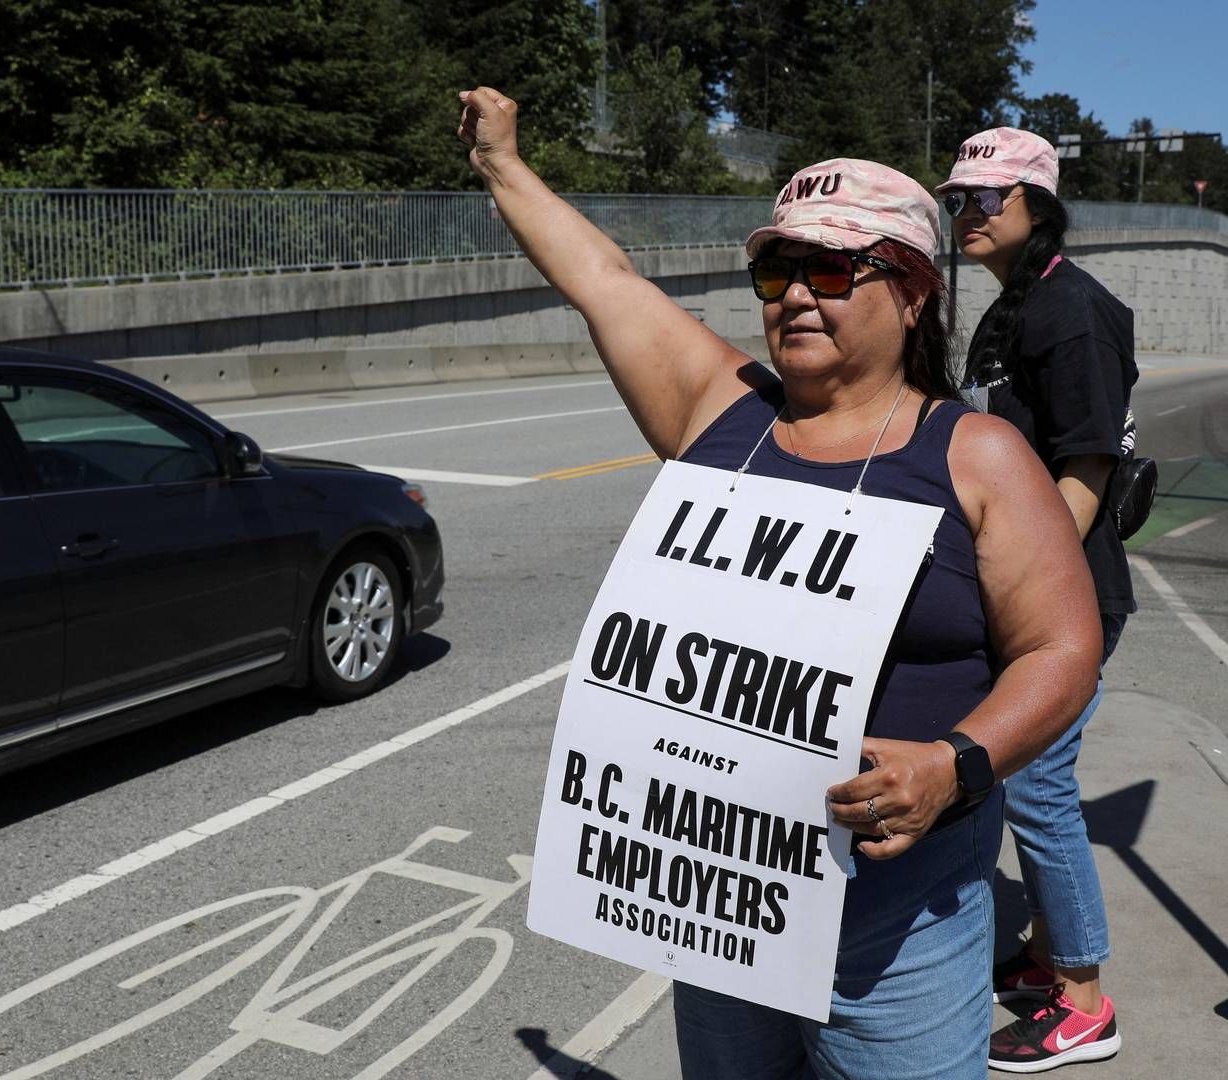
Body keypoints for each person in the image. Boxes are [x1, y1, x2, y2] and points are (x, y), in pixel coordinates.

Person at [457, 86, 1102, 1078]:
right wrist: (503, 163)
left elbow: (1062, 649)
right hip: (726, 901)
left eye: (835, 268)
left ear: (916, 291)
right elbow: (604, 280)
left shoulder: (978, 457)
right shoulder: (721, 412)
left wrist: (953, 766)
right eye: (777, 267)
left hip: (900, 925)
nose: (797, 293)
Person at [940, 126, 1137, 1073]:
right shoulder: (1011, 308)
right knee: (1027, 780)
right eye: (959, 198)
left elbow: (1090, 460)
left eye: (986, 198)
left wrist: (1026, 585)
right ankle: (1050, 952)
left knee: (1036, 788)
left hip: (1067, 600)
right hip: (1022, 590)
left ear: (1038, 206)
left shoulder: (1074, 310)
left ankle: (1085, 1000)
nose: (967, 212)